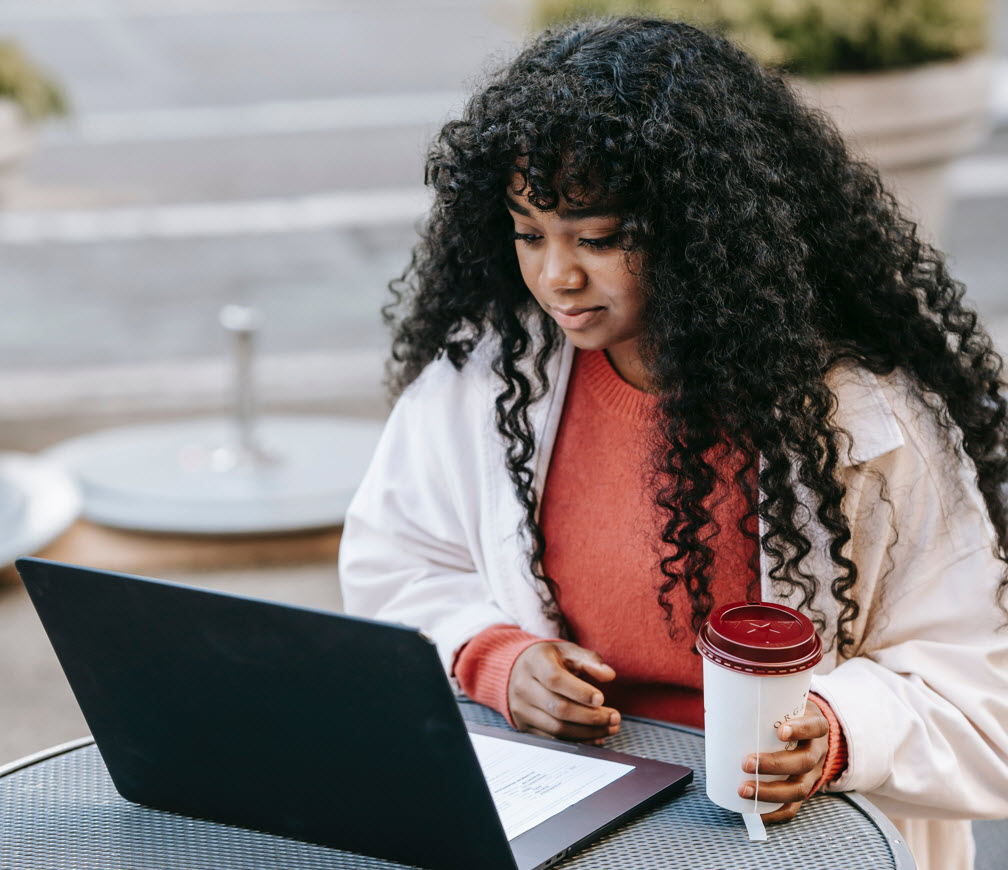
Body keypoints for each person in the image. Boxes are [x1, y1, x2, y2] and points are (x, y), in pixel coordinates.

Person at [338, 16, 1008, 870]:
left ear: (702, 229)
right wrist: (491, 655)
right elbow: (393, 564)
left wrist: (838, 733)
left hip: (793, 836)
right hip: (560, 804)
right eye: (529, 232)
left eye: (599, 236)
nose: (556, 276)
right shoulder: (487, 379)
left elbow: (982, 689)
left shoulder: (869, 424)